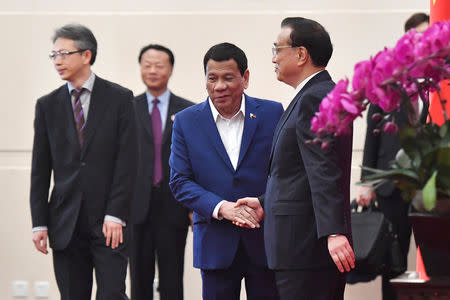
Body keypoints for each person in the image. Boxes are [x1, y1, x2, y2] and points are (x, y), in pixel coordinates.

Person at [235, 17, 355, 300]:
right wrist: (266, 203)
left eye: (277, 49)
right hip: (302, 247)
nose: (273, 58)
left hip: (306, 249)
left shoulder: (315, 98)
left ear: (301, 54)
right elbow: (298, 172)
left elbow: (324, 170)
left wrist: (334, 232)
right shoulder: (315, 95)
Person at [29, 23, 137, 300]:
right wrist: (39, 223)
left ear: (86, 55)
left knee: (112, 293)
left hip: (109, 222)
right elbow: (40, 170)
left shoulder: (120, 98)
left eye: (64, 54)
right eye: (53, 55)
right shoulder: (47, 106)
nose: (58, 61)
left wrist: (116, 213)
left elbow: (128, 162)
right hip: (65, 222)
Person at [169, 42, 283, 300]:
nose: (219, 86)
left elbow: (284, 171)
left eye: (228, 78)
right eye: (213, 78)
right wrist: (222, 207)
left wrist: (265, 203)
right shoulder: (187, 121)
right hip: (215, 242)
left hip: (264, 239)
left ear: (245, 78)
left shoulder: (272, 113)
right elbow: (179, 181)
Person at [357, 13, 429, 300]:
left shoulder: (443, 83)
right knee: (394, 260)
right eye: (422, 35)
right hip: (392, 188)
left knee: (437, 259)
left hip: (435, 188)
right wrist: (366, 182)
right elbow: (372, 137)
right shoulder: (386, 84)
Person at [130, 44, 194, 300]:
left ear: (170, 69)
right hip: (135, 207)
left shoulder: (188, 111)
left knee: (172, 279)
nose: (153, 70)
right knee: (138, 279)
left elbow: (195, 161)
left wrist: (194, 206)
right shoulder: (126, 108)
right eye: (147, 64)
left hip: (174, 205)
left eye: (159, 65)